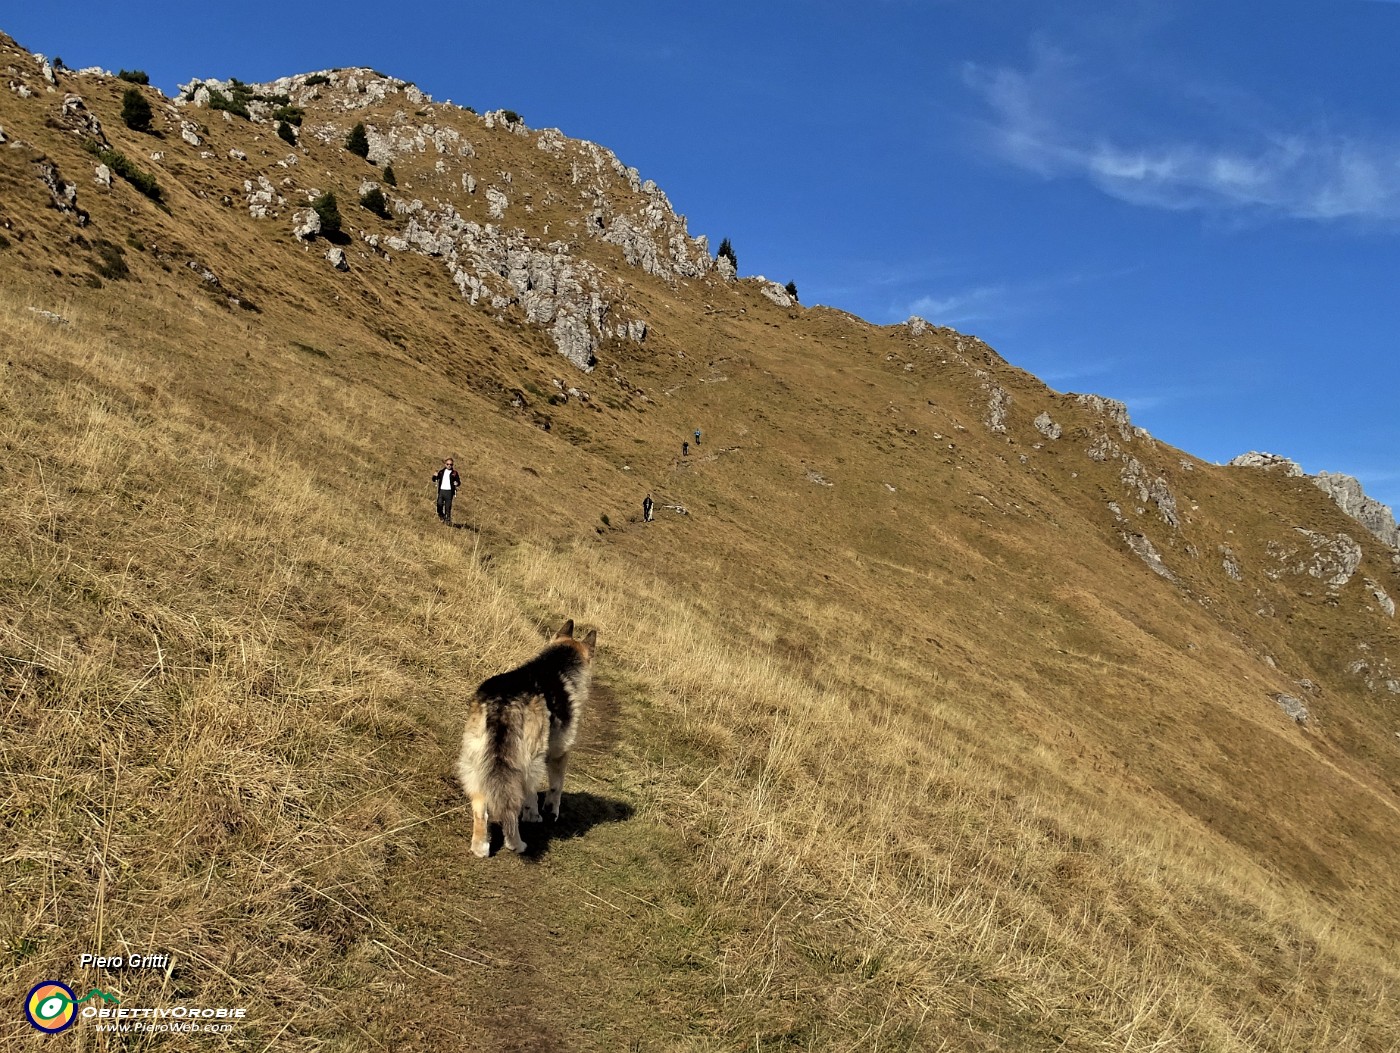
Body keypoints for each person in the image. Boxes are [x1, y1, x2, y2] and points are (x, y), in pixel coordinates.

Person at [433, 457, 460, 525]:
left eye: (451, 464)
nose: (449, 466)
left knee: (448, 507)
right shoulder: (441, 472)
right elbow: (434, 479)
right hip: (441, 491)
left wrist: (457, 483)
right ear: (445, 464)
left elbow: (458, 482)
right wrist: (434, 476)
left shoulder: (454, 473)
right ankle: (441, 515)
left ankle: (448, 520)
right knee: (439, 504)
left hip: (449, 492)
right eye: (448, 464)